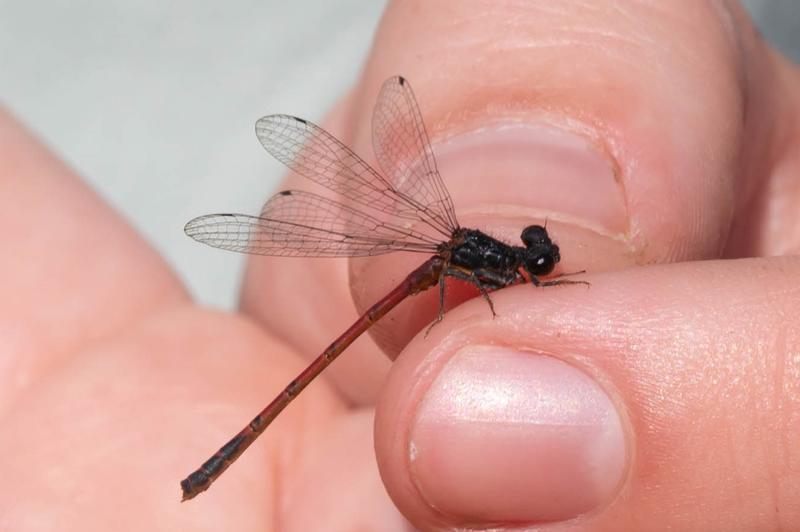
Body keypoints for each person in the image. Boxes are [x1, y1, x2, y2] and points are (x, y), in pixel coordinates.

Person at [1, 1, 798, 529]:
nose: (542, 263)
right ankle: (213, 466)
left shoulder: (492, 267)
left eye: (540, 258)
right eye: (538, 259)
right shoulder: (487, 269)